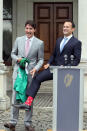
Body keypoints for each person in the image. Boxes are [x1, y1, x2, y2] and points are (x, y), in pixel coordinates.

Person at [14, 20, 82, 111]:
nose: (64, 28)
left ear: (73, 29)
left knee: (63, 93)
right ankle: (28, 103)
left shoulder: (76, 42)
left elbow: (77, 60)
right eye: (64, 26)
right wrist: (49, 63)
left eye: (67, 27)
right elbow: (54, 54)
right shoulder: (59, 40)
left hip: (66, 72)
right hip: (53, 68)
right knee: (37, 78)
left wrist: (66, 66)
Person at [4, 20, 44, 131]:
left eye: (31, 29)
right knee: (15, 96)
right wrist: (18, 59)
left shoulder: (39, 43)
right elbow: (12, 53)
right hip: (18, 73)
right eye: (27, 28)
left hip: (30, 74)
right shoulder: (18, 40)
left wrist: (35, 69)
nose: (28, 31)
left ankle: (27, 123)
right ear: (25, 29)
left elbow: (40, 60)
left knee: (29, 98)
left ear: (34, 30)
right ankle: (12, 122)